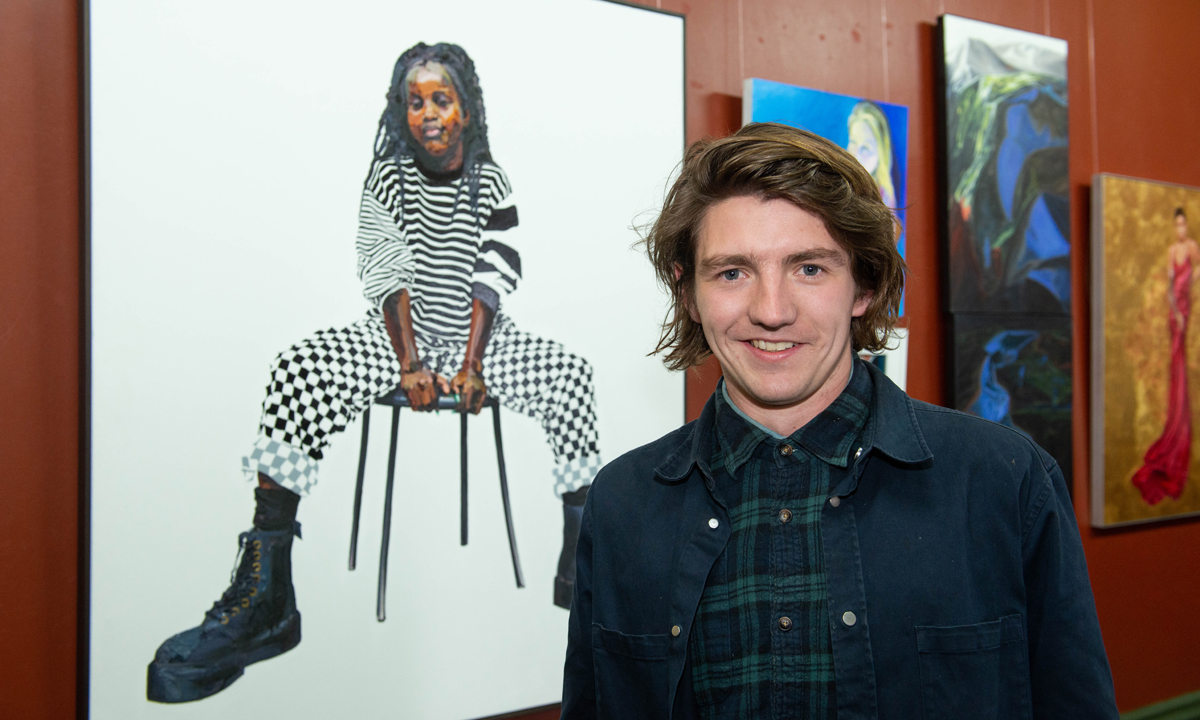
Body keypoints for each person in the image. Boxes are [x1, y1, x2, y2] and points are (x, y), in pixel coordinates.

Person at [560, 123, 1117, 719]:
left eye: (809, 269)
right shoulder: (621, 503)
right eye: (732, 273)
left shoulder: (1003, 482)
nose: (771, 311)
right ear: (689, 294)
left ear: (865, 287)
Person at [146, 42, 602, 704]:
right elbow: (384, 264)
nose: (428, 114)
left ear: (466, 109)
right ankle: (266, 592)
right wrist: (409, 360)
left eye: (440, 99)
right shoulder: (387, 177)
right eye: (414, 101)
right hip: (395, 339)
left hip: (476, 338)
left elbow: (494, 275)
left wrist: (472, 365)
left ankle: (580, 574)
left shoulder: (490, 181)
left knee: (571, 375)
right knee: (298, 367)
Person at [1131, 207, 1200, 504]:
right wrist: (1176, 313)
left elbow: (1193, 278)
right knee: (1177, 370)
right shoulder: (1173, 250)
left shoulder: (1193, 248)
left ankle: (1181, 432)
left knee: (1183, 369)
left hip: (1190, 311)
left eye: (1184, 224)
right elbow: (1171, 288)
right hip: (1178, 316)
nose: (1181, 229)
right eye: (1178, 225)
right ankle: (1174, 428)